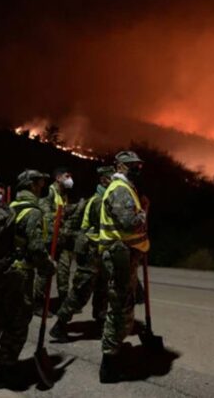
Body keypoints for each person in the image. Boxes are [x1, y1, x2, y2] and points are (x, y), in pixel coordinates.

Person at [0, 169, 56, 386]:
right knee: (18, 321)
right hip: (21, 273)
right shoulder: (33, 212)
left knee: (1, 317)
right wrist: (48, 266)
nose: (42, 187)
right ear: (31, 185)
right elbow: (35, 248)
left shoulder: (9, 208)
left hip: (3, 271)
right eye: (40, 183)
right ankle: (8, 365)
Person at [97, 151, 150, 383]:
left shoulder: (127, 188)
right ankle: (109, 364)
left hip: (127, 255)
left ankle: (114, 354)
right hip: (120, 256)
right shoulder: (120, 189)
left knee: (124, 304)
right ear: (119, 166)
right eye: (132, 165)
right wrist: (144, 212)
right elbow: (128, 223)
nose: (137, 169)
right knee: (118, 307)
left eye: (138, 165)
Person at [50, 165, 115, 342]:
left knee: (103, 289)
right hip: (90, 252)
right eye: (112, 178)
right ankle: (60, 325)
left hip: (100, 251)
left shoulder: (104, 199)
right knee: (81, 291)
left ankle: (100, 322)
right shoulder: (98, 201)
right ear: (104, 180)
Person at [34, 167, 74, 317]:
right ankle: (38, 303)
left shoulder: (63, 194)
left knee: (63, 272)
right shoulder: (49, 192)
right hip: (49, 240)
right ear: (58, 178)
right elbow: (46, 214)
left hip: (62, 240)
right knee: (45, 272)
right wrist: (65, 212)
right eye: (67, 176)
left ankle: (63, 303)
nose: (70, 179)